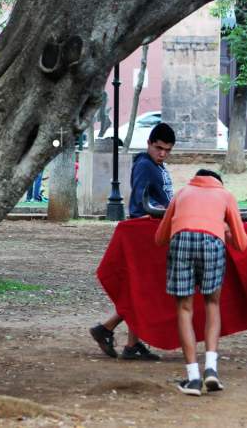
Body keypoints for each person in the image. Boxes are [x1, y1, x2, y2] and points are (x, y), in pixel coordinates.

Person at [154, 169, 247, 396]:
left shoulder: (182, 193)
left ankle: (193, 378)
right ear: (218, 183)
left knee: (184, 308)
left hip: (182, 240)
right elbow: (242, 244)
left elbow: (159, 239)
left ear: (195, 179)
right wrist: (223, 228)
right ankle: (211, 369)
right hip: (213, 242)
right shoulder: (225, 195)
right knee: (212, 304)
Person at [89, 123, 176, 360]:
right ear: (149, 143)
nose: (163, 153)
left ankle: (114, 334)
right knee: (144, 290)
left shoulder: (155, 165)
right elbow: (141, 203)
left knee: (141, 291)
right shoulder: (145, 166)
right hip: (145, 233)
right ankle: (120, 339)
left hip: (152, 232)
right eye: (159, 148)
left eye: (167, 150)